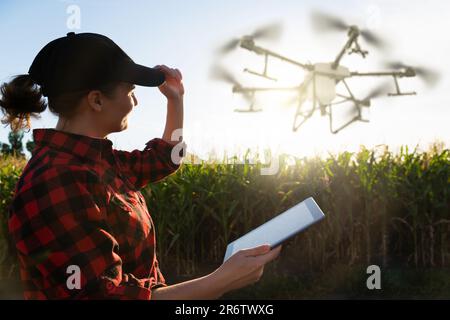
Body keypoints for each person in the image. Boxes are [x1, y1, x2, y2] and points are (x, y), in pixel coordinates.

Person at [0, 32, 281, 300]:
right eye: (131, 91)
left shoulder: (100, 160)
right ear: (96, 100)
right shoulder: (54, 180)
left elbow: (164, 159)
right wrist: (220, 281)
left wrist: (176, 99)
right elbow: (105, 296)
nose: (135, 102)